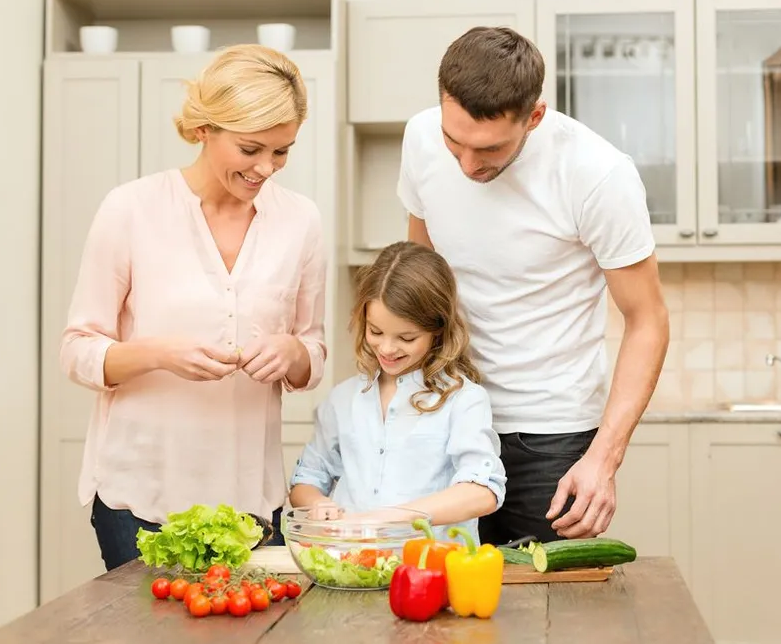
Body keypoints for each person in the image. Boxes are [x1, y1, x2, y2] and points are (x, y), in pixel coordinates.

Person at [396, 26, 670, 545]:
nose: (469, 165)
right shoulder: (420, 138)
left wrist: (603, 458)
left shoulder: (597, 174)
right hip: (448, 414)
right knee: (438, 607)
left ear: (535, 117)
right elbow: (421, 276)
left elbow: (648, 319)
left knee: (545, 618)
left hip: (551, 434)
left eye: (490, 149)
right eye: (455, 144)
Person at [60, 44, 328, 571]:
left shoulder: (301, 221)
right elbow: (77, 350)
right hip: (140, 495)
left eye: (282, 151)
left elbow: (313, 351)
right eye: (251, 149)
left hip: (250, 498)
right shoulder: (131, 209)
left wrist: (291, 351)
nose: (266, 168)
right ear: (205, 129)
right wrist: (158, 354)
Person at [288, 241, 507, 541]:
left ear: (438, 329)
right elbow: (305, 481)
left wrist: (386, 519)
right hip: (353, 564)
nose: (387, 348)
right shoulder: (344, 399)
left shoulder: (463, 399)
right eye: (376, 332)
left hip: (430, 568)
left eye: (406, 337)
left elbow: (483, 491)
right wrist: (318, 504)